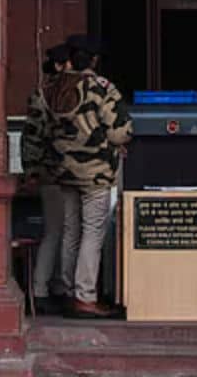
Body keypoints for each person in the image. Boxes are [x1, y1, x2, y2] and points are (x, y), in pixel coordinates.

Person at [46, 34, 132, 319]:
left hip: (63, 170)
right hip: (95, 172)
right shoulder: (101, 87)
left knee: (70, 231)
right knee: (93, 232)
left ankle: (68, 291)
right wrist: (119, 142)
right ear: (94, 60)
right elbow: (119, 131)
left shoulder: (54, 87)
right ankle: (85, 297)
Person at [21, 43, 72, 315]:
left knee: (61, 231)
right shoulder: (47, 96)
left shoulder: (46, 94)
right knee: (56, 231)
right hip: (55, 173)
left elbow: (30, 137)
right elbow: (32, 137)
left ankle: (51, 287)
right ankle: (42, 289)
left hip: (57, 171)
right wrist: (33, 171)